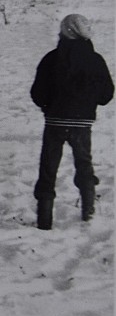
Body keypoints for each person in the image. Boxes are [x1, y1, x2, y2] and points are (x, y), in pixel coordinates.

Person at [30, 14, 113, 230]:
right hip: (82, 123)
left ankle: (44, 220)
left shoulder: (51, 58)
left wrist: (48, 107)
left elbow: (37, 92)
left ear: (65, 31)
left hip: (55, 121)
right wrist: (87, 104)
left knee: (48, 167)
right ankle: (88, 211)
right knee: (84, 163)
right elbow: (106, 95)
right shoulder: (95, 60)